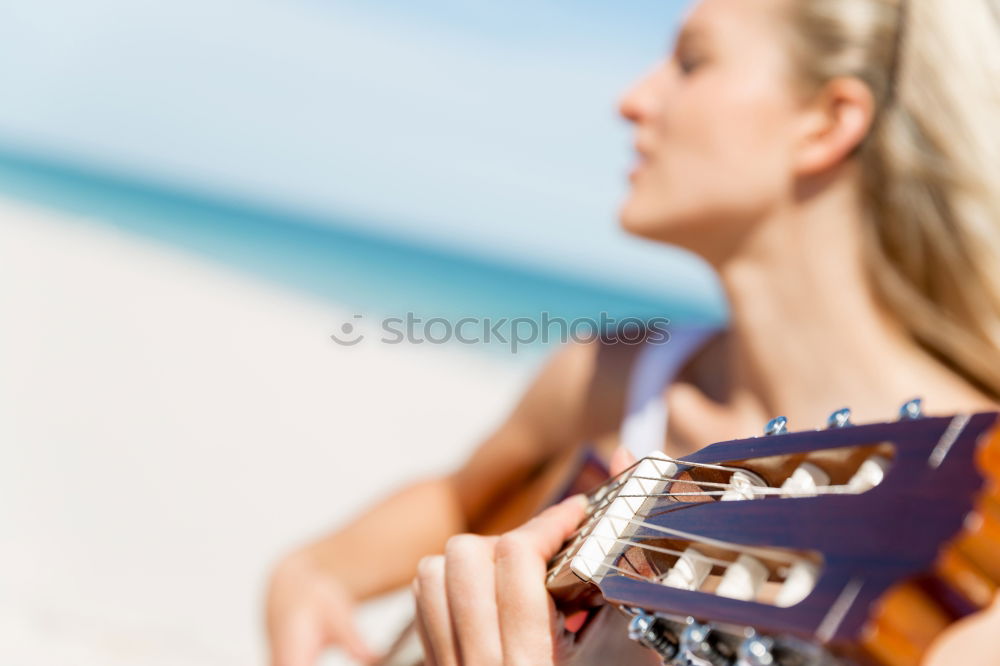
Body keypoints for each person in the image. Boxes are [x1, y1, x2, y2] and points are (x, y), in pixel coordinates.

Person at [265, 0, 1000, 664]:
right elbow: (461, 500)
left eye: (691, 61)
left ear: (827, 121)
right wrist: (313, 572)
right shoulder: (615, 373)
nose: (632, 100)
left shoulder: (974, 520)